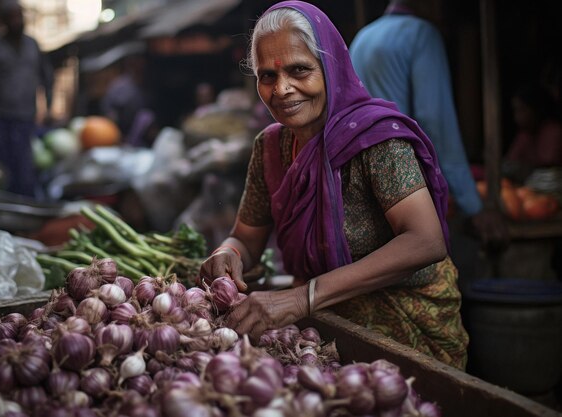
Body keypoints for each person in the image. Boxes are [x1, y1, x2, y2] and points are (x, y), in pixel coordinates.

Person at [199, 1, 469, 369]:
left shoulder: (376, 140)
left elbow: (425, 240)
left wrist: (302, 297)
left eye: (299, 70)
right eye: (267, 76)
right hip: (323, 333)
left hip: (408, 326)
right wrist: (227, 254)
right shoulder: (270, 148)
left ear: (331, 68)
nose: (282, 89)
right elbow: (246, 238)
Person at [349, 0, 507, 248]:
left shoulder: (363, 36)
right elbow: (435, 121)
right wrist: (473, 205)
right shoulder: (422, 34)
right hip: (403, 178)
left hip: (362, 178)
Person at [0, 0, 53, 197]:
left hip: (25, 117)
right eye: (12, 17)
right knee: (0, 168)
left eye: (19, 15)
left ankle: (23, 209)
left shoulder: (33, 46)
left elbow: (47, 78)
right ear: (4, 21)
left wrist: (48, 107)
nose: (17, 21)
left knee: (24, 168)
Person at [503, 83, 562, 181]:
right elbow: (511, 160)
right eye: (515, 111)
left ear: (537, 109)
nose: (517, 116)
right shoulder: (524, 134)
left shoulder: (554, 131)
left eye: (522, 110)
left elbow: (548, 165)